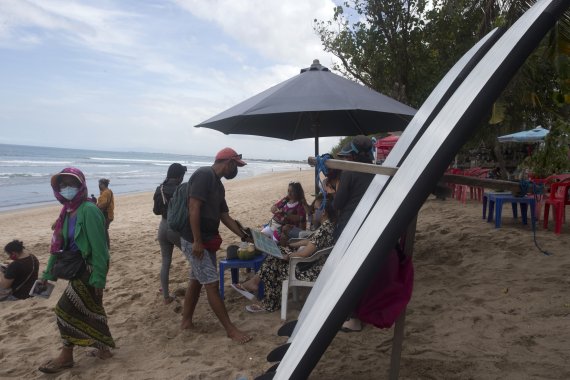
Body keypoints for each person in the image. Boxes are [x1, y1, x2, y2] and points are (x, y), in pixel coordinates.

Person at [38, 167, 114, 374]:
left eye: (71, 184)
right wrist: (47, 275)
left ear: (81, 185)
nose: (67, 188)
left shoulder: (89, 210)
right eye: (62, 185)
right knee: (93, 310)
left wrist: (99, 279)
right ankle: (104, 351)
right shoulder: (67, 211)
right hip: (74, 267)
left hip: (89, 270)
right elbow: (58, 246)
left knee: (64, 310)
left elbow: (100, 250)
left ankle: (66, 356)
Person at [179, 148, 252, 344]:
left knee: (196, 280)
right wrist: (196, 241)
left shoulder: (218, 186)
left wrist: (244, 235)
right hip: (195, 240)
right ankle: (230, 329)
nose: (236, 170)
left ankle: (186, 322)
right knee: (211, 283)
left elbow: (224, 216)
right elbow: (193, 208)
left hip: (206, 240)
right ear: (227, 163)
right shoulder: (204, 175)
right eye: (236, 166)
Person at [238, 194, 336, 313]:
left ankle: (265, 298)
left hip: (307, 269)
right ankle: (258, 286)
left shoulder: (324, 230)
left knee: (274, 263)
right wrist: (290, 246)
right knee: (275, 257)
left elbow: (305, 254)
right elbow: (310, 241)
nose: (312, 212)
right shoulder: (328, 226)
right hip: (311, 265)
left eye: (315, 209)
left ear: (324, 212)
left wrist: (288, 256)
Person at [153, 163, 187, 304]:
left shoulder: (159, 188)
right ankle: (197, 287)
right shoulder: (181, 189)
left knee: (166, 262)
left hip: (162, 226)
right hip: (176, 229)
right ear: (179, 176)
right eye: (182, 176)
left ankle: (166, 296)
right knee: (192, 258)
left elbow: (156, 211)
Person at [333, 135, 376, 241]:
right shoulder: (377, 173)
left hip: (348, 225)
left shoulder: (348, 173)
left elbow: (337, 204)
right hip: (369, 224)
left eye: (346, 157)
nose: (345, 160)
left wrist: (333, 191)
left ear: (353, 156)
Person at [97, 178, 114, 248]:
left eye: (100, 184)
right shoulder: (108, 191)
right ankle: (107, 245)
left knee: (103, 230)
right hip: (109, 214)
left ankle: (107, 246)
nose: (99, 186)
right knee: (104, 230)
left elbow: (103, 204)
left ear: (103, 185)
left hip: (106, 214)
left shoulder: (105, 193)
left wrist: (96, 206)